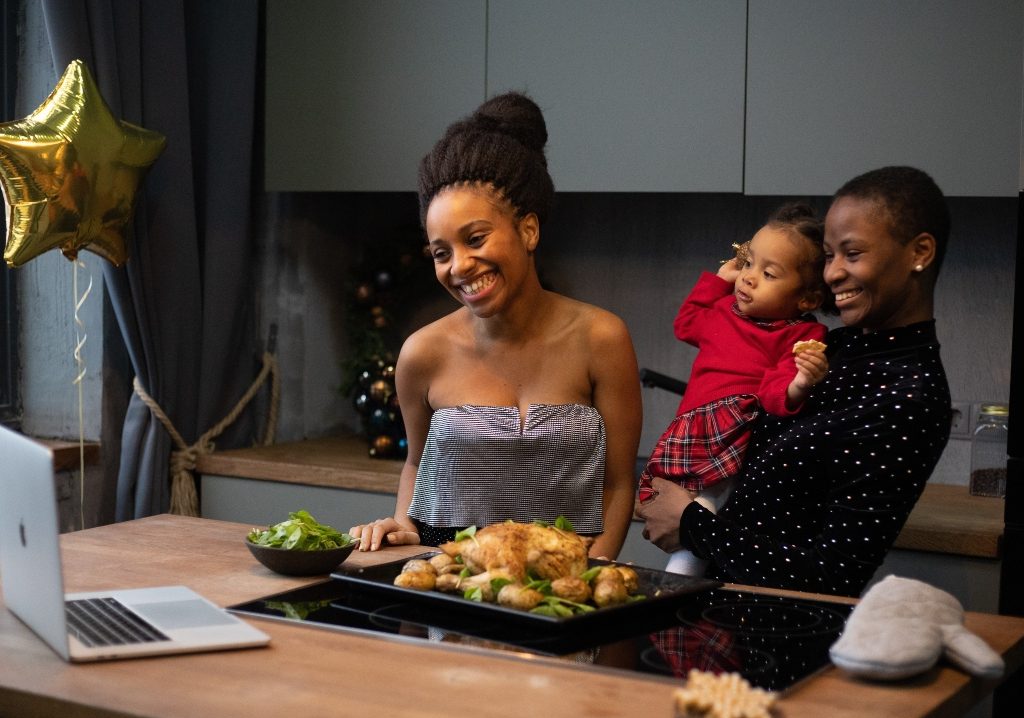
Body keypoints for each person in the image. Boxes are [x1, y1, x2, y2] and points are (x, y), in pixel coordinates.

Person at [636, 165, 952, 597]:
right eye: (828, 255)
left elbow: (831, 577)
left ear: (920, 251)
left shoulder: (907, 395)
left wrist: (691, 524)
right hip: (722, 624)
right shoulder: (832, 346)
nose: (832, 274)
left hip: (781, 645)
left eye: (852, 254)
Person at [350, 92, 642, 559]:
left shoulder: (601, 338)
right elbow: (415, 466)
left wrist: (590, 577)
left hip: (566, 585)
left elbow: (618, 483)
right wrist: (401, 524)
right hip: (451, 580)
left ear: (528, 230)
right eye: (441, 253)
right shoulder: (422, 353)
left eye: (476, 238)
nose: (459, 266)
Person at [637, 203, 832, 575]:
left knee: (706, 505)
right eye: (748, 263)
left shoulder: (803, 334)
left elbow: (776, 394)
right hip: (693, 431)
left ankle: (678, 582)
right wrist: (718, 279)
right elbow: (686, 324)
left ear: (807, 300)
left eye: (768, 273)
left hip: (736, 437)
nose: (749, 277)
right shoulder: (725, 309)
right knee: (672, 497)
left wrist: (801, 382)